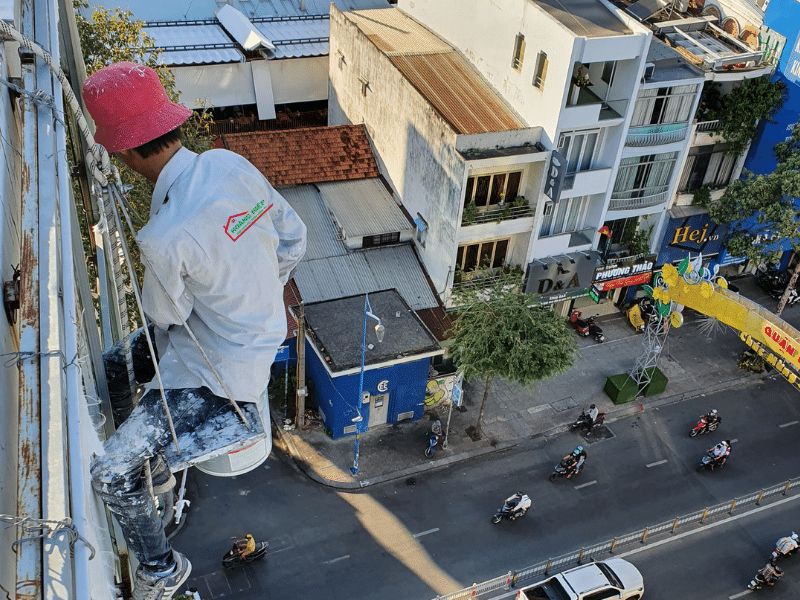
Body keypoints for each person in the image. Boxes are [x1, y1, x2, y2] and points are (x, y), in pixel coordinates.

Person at [83, 63, 307, 599]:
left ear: (126, 151)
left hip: (217, 371)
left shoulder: (164, 235)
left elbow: (166, 317)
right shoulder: (228, 165)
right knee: (119, 363)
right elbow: (292, 241)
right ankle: (155, 475)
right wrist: (247, 291)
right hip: (260, 333)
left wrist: (226, 298)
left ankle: (164, 571)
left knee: (112, 473)